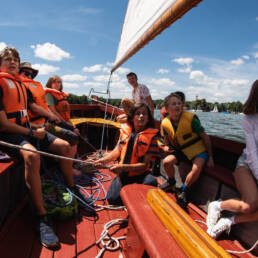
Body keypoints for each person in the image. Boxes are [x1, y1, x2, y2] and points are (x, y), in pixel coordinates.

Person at [0, 47, 83, 249]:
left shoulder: (20, 84)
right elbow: (2, 124)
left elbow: (32, 106)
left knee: (64, 146)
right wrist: (30, 133)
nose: (13, 62)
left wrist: (48, 117)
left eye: (16, 59)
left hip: (28, 128)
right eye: (8, 59)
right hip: (8, 133)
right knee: (33, 156)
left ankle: (72, 190)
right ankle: (41, 217)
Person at [206, 80, 258, 239]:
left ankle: (230, 221)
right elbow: (252, 154)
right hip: (247, 164)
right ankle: (217, 205)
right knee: (250, 205)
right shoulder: (249, 120)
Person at [19, 62, 81, 176]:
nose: (29, 77)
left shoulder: (32, 88)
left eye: (31, 75)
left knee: (74, 133)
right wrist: (53, 118)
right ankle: (66, 167)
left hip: (44, 123)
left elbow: (44, 108)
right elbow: (44, 110)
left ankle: (67, 164)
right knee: (72, 136)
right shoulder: (22, 88)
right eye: (25, 73)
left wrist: (70, 123)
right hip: (39, 125)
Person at [94, 103, 159, 205]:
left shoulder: (152, 138)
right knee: (112, 199)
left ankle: (134, 194)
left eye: (144, 114)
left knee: (151, 183)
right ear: (132, 118)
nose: (141, 116)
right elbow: (116, 151)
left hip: (141, 174)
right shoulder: (125, 132)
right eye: (138, 113)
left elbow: (145, 165)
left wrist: (123, 167)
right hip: (124, 174)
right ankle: (134, 193)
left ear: (148, 118)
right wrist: (102, 161)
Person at [159, 92, 214, 208]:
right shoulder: (165, 122)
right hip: (182, 151)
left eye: (179, 103)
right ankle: (171, 182)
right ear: (167, 108)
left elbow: (206, 138)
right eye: (174, 104)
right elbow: (167, 136)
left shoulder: (191, 120)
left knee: (196, 168)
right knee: (166, 162)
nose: (177, 106)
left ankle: (184, 190)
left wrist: (210, 157)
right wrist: (166, 145)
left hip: (198, 150)